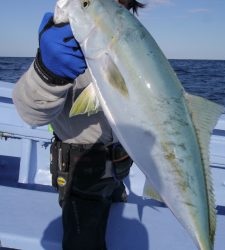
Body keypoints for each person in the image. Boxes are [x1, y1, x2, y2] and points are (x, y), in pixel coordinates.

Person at [12, 0, 145, 249]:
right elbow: (30, 112)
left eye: (123, 6)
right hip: (79, 173)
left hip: (118, 169)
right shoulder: (64, 43)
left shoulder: (133, 48)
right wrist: (47, 72)